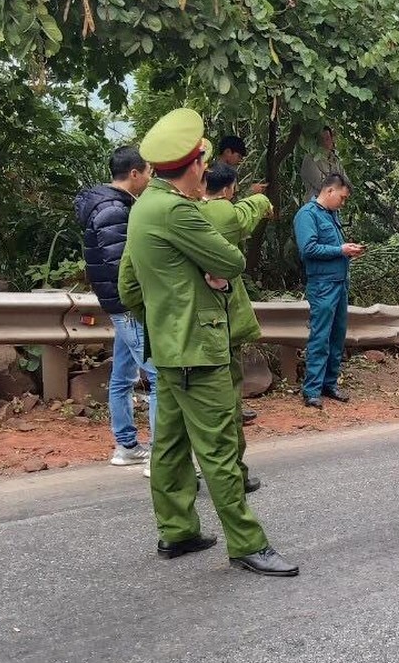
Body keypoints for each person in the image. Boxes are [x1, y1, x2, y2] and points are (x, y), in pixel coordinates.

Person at [117, 107, 295, 577]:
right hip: (199, 348)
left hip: (170, 349)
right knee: (218, 448)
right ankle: (247, 543)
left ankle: (177, 532)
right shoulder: (176, 210)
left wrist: (167, 314)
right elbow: (232, 259)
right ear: (195, 163)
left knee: (170, 446)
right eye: (203, 162)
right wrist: (206, 284)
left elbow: (128, 287)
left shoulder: (142, 208)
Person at [76, 146, 157, 472]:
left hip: (117, 304)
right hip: (128, 305)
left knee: (122, 376)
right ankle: (161, 457)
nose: (150, 178)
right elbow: (122, 264)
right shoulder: (114, 210)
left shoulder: (110, 204)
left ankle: (126, 446)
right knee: (158, 376)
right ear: (134, 174)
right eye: (148, 172)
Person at [199, 161, 275, 494]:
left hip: (186, 327)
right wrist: (261, 200)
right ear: (229, 189)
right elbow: (241, 213)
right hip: (220, 321)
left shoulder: (184, 212)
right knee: (228, 403)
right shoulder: (222, 215)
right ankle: (234, 475)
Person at [295, 173, 366, 408]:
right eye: (342, 198)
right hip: (322, 285)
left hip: (339, 282)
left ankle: (329, 384)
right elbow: (309, 249)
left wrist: (348, 251)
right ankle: (312, 390)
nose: (342, 203)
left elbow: (334, 247)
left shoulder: (332, 214)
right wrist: (340, 250)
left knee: (337, 336)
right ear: (329, 191)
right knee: (320, 336)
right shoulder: (307, 215)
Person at [300, 125, 343, 202]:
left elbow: (346, 183)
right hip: (315, 206)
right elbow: (322, 184)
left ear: (332, 139)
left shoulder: (335, 160)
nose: (325, 143)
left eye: (327, 139)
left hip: (333, 207)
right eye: (321, 140)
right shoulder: (310, 159)